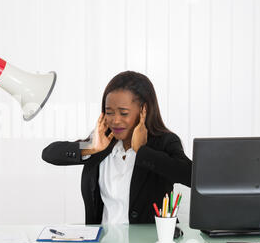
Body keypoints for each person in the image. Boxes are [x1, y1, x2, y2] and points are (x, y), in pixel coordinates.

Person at [42, 71, 191, 225]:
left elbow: (190, 175)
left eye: (123, 113)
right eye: (109, 112)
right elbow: (49, 153)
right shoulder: (103, 142)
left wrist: (142, 151)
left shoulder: (164, 142)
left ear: (143, 111)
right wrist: (90, 148)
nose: (115, 120)